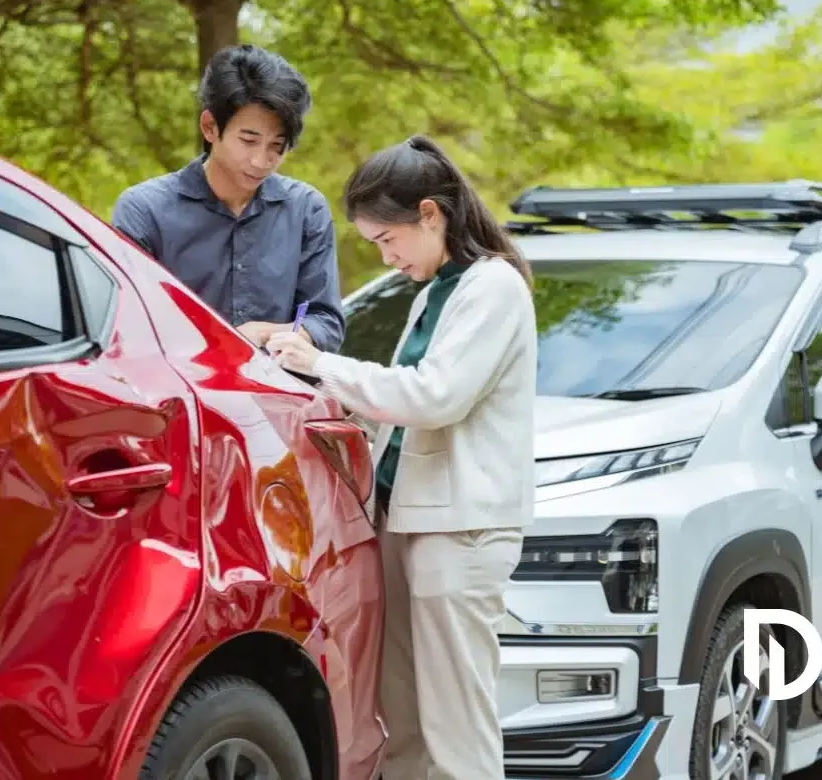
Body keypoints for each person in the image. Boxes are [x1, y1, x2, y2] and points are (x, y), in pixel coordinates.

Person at [267, 134, 536, 779]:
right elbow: (399, 409)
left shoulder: (492, 287)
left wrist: (322, 362)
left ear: (430, 215)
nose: (386, 257)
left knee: (454, 722)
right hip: (408, 520)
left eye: (388, 240)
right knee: (404, 713)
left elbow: (436, 396)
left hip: (460, 528)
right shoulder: (432, 292)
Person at [111, 44, 345, 353]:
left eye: (278, 145)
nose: (262, 160)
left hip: (282, 394)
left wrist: (264, 332)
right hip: (182, 392)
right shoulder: (144, 211)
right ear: (209, 127)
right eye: (248, 141)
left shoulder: (305, 209)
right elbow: (126, 326)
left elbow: (325, 322)